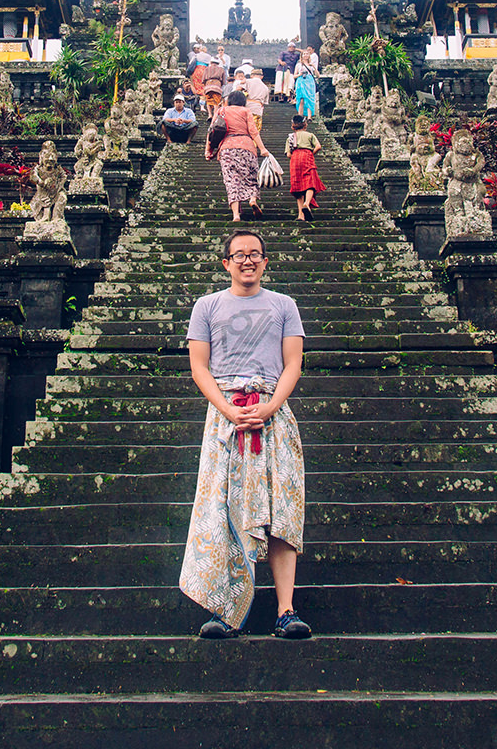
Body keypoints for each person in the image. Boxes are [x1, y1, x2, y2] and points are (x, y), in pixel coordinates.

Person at [181, 229, 310, 640]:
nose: (247, 260)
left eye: (255, 254)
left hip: (274, 415)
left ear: (265, 261)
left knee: (281, 511)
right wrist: (228, 409)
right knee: (223, 508)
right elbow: (199, 366)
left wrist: (269, 407)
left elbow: (293, 363)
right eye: (239, 254)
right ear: (226, 263)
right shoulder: (207, 306)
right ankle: (225, 608)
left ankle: (286, 611)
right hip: (226, 420)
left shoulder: (284, 305)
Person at [208, 88, 263, 221]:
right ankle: (252, 199)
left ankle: (236, 215)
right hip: (246, 146)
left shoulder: (221, 111)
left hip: (227, 148)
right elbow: (253, 131)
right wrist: (263, 148)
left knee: (231, 180)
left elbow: (211, 131)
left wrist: (208, 150)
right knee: (251, 176)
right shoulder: (246, 111)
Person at [285, 113, 326, 221]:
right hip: (307, 156)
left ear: (293, 126)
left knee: (297, 185)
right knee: (310, 181)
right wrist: (311, 153)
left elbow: (288, 154)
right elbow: (318, 146)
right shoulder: (310, 135)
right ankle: (307, 203)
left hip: (295, 158)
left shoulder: (291, 137)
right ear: (305, 124)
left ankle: (300, 215)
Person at [238, 64, 270, 128]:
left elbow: (238, 89)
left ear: (251, 75)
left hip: (247, 108)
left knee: (244, 128)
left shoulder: (247, 81)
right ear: (262, 77)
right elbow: (265, 103)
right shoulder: (266, 88)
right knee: (255, 129)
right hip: (258, 110)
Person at [293, 46, 320, 119]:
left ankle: (309, 116)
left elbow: (318, 75)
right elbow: (294, 76)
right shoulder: (298, 65)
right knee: (301, 99)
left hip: (309, 82)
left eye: (307, 54)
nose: (305, 55)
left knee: (309, 99)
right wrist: (300, 74)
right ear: (301, 56)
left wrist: (314, 67)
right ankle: (300, 116)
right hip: (301, 81)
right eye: (304, 54)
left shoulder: (311, 65)